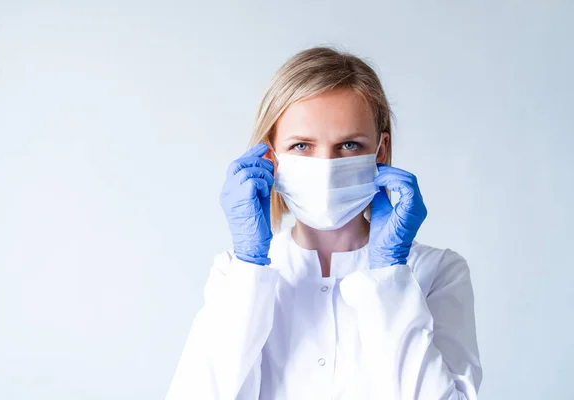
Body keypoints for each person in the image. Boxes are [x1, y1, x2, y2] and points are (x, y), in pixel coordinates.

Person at [165, 46, 482, 399]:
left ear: (379, 149)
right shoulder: (233, 275)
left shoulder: (436, 273)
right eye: (302, 146)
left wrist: (389, 277)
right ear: (271, 153)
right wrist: (249, 271)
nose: (326, 165)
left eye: (348, 144)